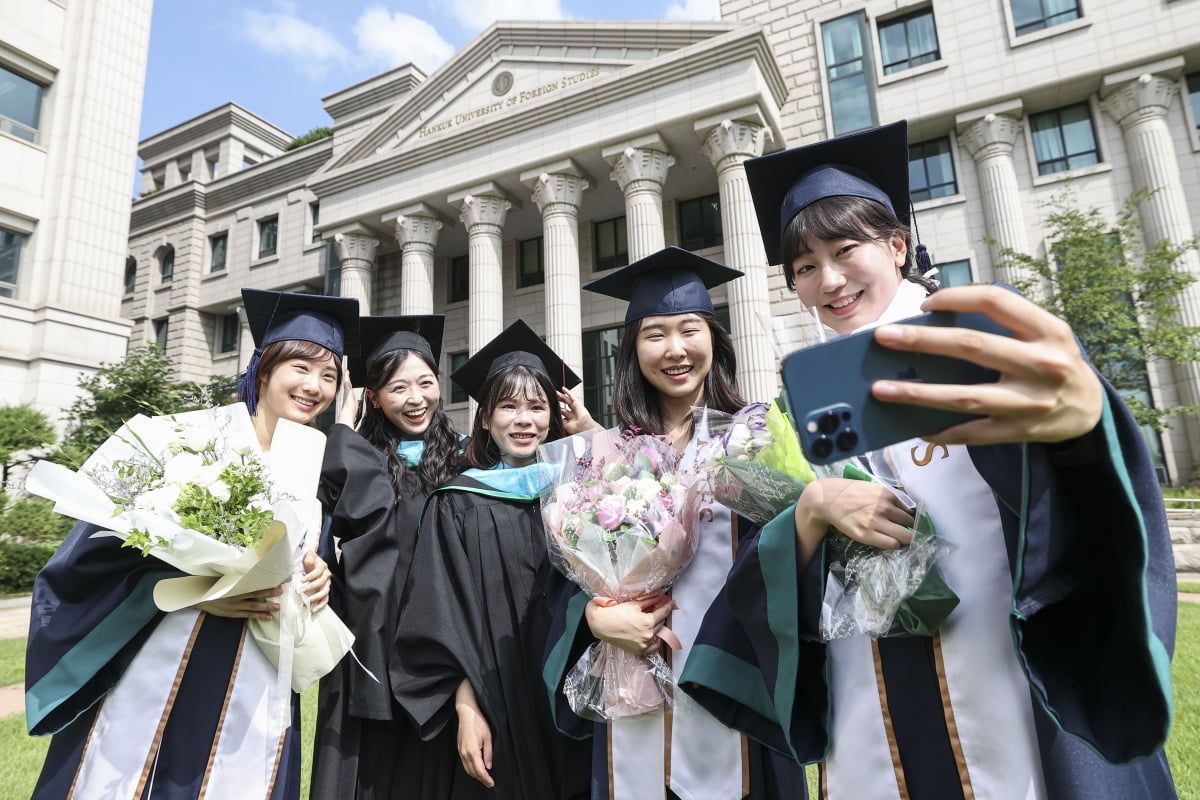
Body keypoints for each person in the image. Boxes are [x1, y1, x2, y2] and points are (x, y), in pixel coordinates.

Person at [680, 120, 1178, 798]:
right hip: (869, 703)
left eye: (845, 249)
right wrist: (810, 513)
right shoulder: (798, 411)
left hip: (1011, 691)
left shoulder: (984, 348)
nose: (827, 281)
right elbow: (762, 582)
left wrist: (1083, 430)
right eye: (802, 267)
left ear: (897, 244)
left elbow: (1097, 506)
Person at [25, 288, 357, 799]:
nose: (315, 386)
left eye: (329, 376)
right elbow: (91, 555)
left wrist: (320, 574)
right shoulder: (181, 439)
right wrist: (196, 588)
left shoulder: (315, 464)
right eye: (301, 368)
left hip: (258, 677)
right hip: (160, 657)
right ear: (264, 368)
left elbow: (304, 556)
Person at [544, 246, 808, 800]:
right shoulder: (606, 454)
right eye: (654, 334)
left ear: (714, 337)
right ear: (632, 349)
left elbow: (792, 563)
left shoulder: (755, 437)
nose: (675, 350)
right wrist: (594, 619)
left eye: (689, 329)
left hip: (733, 684)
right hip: (632, 689)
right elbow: (559, 583)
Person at [390, 319, 593, 799]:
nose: (524, 420)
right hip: (497, 693)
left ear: (555, 417)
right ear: (485, 418)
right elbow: (441, 615)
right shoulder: (456, 503)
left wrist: (591, 435)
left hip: (576, 686)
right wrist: (466, 704)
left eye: (537, 407)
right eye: (508, 407)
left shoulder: (583, 495)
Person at [311, 314, 464, 798]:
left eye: (425, 382)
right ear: (372, 397)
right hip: (372, 649)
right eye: (398, 388)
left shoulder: (467, 460)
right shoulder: (354, 460)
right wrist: (341, 431)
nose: (415, 398)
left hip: (446, 651)